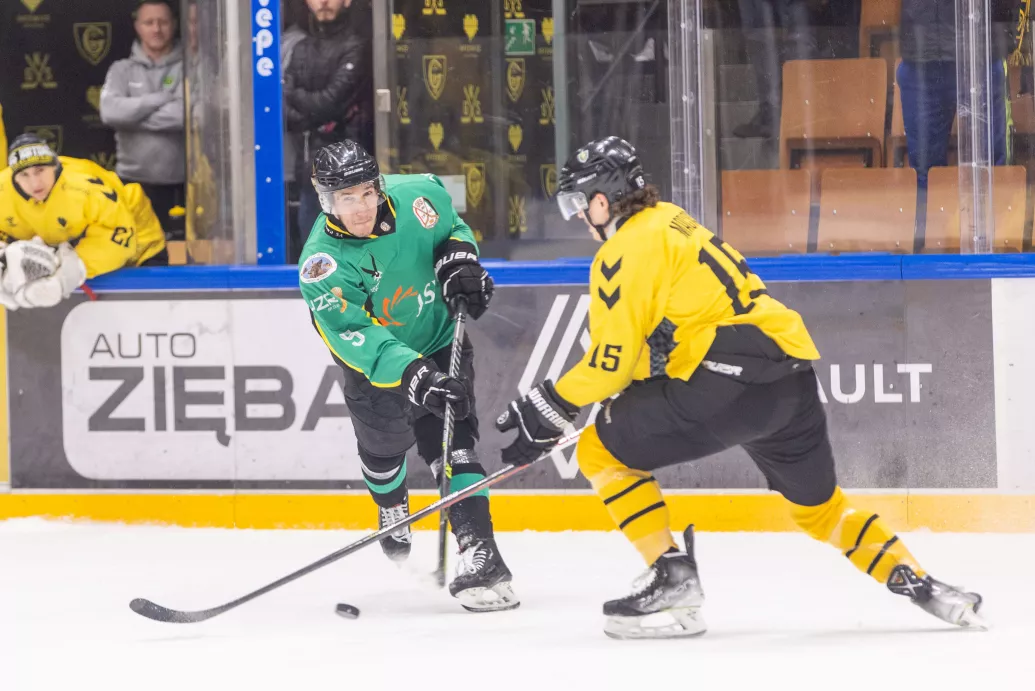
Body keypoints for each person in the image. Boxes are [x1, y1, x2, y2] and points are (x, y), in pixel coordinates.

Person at [495, 136, 985, 640]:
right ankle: (919, 582)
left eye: (580, 203)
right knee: (821, 511)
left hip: (725, 382)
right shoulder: (673, 220)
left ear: (603, 199)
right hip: (788, 378)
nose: (579, 216)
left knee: (599, 450)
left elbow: (608, 367)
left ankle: (671, 573)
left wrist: (547, 406)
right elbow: (660, 342)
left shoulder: (622, 250)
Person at [297, 140, 514, 612]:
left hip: (437, 337)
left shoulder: (420, 195)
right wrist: (413, 373)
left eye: (367, 193)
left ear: (378, 186)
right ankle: (391, 503)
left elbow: (452, 228)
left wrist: (460, 258)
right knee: (383, 450)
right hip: (375, 367)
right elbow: (354, 333)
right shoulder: (322, 264)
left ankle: (482, 554)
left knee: (453, 442)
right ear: (326, 200)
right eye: (346, 198)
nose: (361, 207)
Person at [0, 135, 167, 310]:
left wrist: (71, 273)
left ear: (54, 166)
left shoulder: (85, 187)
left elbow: (117, 235)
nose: (35, 183)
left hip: (138, 248)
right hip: (67, 250)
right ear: (14, 177)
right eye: (24, 175)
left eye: (40, 171)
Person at [284, 0, 374, 256]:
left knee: (353, 251)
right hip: (310, 168)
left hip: (351, 167)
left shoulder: (357, 46)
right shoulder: (301, 48)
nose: (323, 2)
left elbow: (330, 103)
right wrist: (312, 112)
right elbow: (285, 107)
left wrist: (299, 99)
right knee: (313, 251)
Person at [100, 0, 186, 240]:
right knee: (137, 251)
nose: (156, 29)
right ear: (138, 27)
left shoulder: (190, 66)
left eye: (163, 22)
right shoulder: (121, 70)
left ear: (174, 25)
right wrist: (161, 98)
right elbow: (110, 112)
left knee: (182, 255)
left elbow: (186, 115)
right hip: (132, 183)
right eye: (149, 22)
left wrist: (133, 116)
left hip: (181, 185)